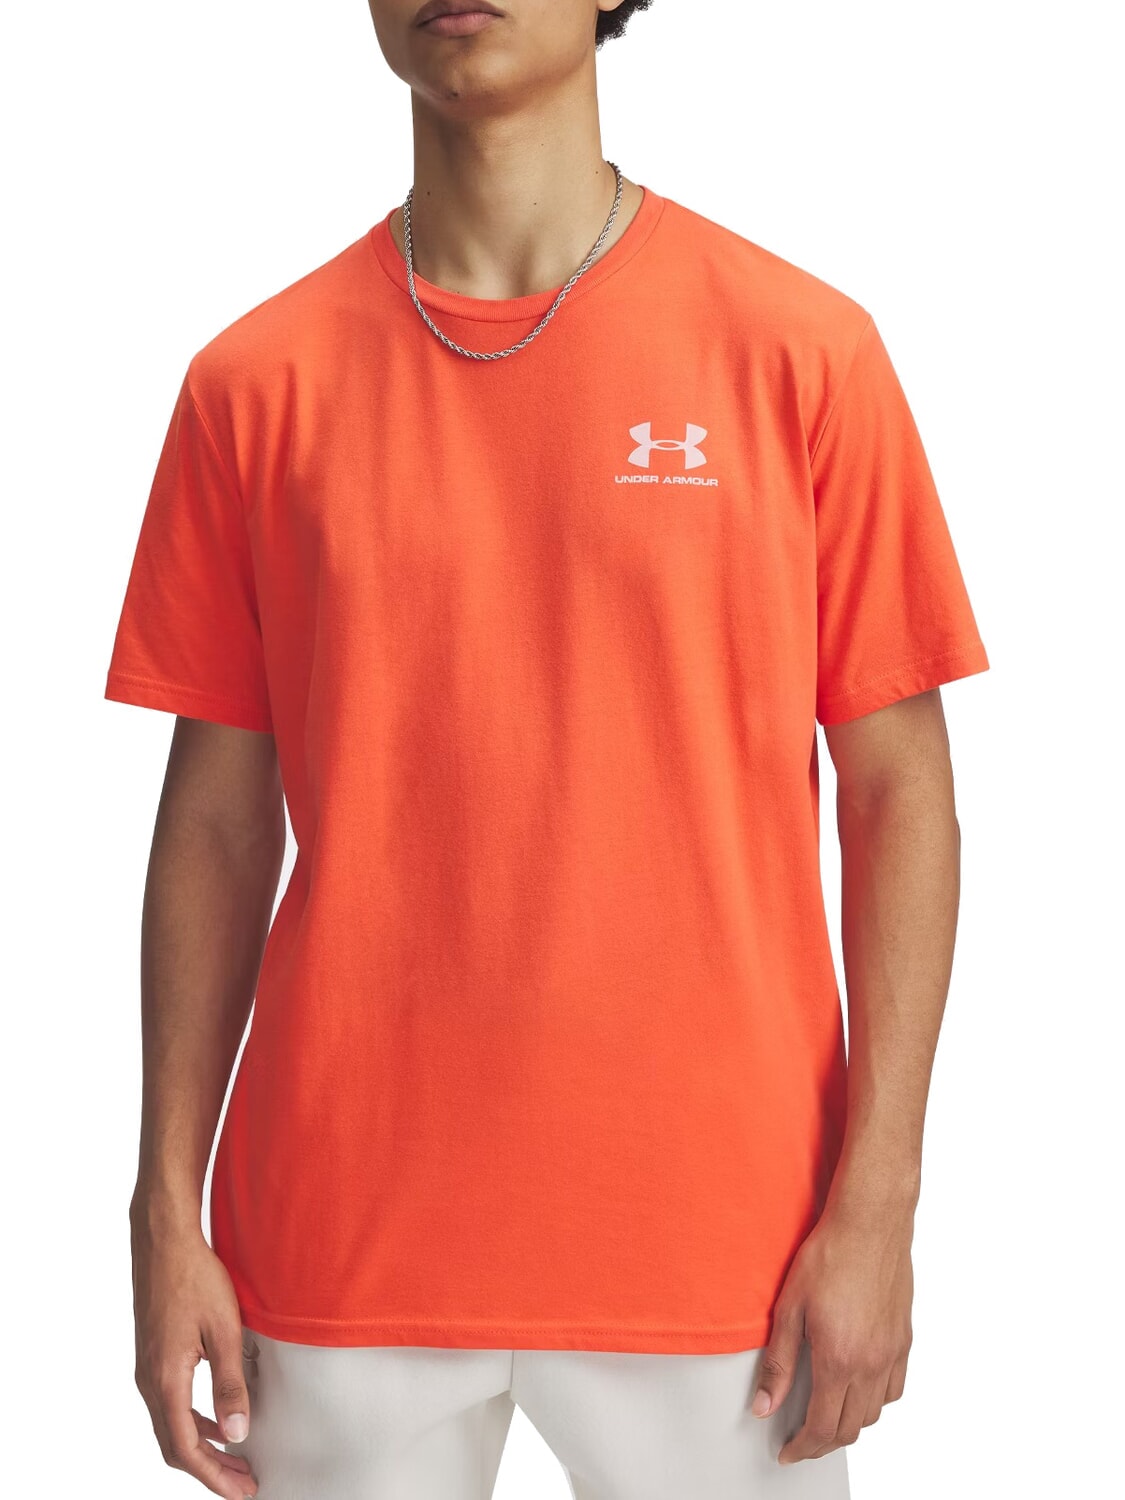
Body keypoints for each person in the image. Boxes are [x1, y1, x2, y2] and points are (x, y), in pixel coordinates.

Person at [105, 1, 990, 1496]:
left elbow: (900, 792)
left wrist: (880, 1202)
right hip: (339, 1233)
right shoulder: (255, 384)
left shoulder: (798, 352)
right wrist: (162, 1208)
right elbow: (214, 824)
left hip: (726, 1244)